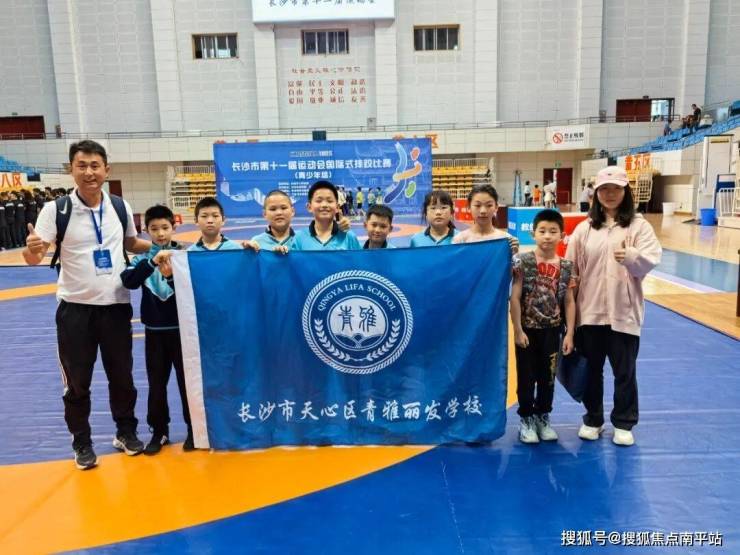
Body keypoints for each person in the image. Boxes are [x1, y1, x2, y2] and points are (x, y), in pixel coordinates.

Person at [23, 139, 152, 470]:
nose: (89, 172)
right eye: (82, 166)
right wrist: (31, 249)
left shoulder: (120, 207)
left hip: (116, 306)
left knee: (122, 377)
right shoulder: (56, 210)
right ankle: (81, 441)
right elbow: (34, 258)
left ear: (107, 170)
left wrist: (166, 248)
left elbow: (130, 242)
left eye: (95, 166)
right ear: (71, 170)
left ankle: (126, 432)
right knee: (77, 381)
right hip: (75, 311)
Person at [565, 166, 662, 447]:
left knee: (625, 372)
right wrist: (569, 312)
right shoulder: (584, 229)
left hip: (624, 312)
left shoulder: (639, 226)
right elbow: (571, 270)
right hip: (590, 313)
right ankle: (593, 419)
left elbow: (651, 259)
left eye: (616, 189)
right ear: (595, 194)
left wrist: (632, 257)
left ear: (625, 192)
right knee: (591, 371)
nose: (610, 194)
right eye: (604, 189)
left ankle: (623, 422)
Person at [120, 205, 193, 454]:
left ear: (174, 227)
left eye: (165, 227)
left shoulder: (184, 255)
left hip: (183, 331)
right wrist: (152, 262)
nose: (160, 233)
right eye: (154, 229)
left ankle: (194, 429)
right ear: (146, 230)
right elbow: (129, 281)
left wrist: (171, 276)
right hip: (155, 332)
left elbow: (195, 285)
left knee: (187, 383)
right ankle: (159, 431)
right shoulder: (141, 259)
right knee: (157, 384)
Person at [510, 209, 576, 444]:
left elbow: (569, 301)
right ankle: (527, 418)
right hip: (528, 331)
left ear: (562, 235)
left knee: (548, 377)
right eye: (542, 231)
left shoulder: (566, 266)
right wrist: (518, 330)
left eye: (553, 231)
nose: (547, 236)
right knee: (526, 377)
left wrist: (570, 333)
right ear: (533, 234)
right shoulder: (523, 262)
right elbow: (515, 297)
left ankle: (542, 416)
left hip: (553, 330)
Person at [292, 180, 361, 251]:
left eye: (329, 201)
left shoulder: (349, 237)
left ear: (337, 207)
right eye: (319, 201)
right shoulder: (299, 239)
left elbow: (361, 257)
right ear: (309, 207)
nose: (324, 205)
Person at [452, 184, 519, 253]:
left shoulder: (506, 239)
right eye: (477, 205)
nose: (483, 211)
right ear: (468, 207)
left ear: (496, 207)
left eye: (489, 205)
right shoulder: (460, 240)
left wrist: (514, 253)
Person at [187, 197, 255, 252]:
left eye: (215, 216)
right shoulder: (190, 253)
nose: (210, 221)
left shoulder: (236, 249)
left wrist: (250, 253)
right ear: (196, 221)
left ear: (223, 220)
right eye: (204, 216)